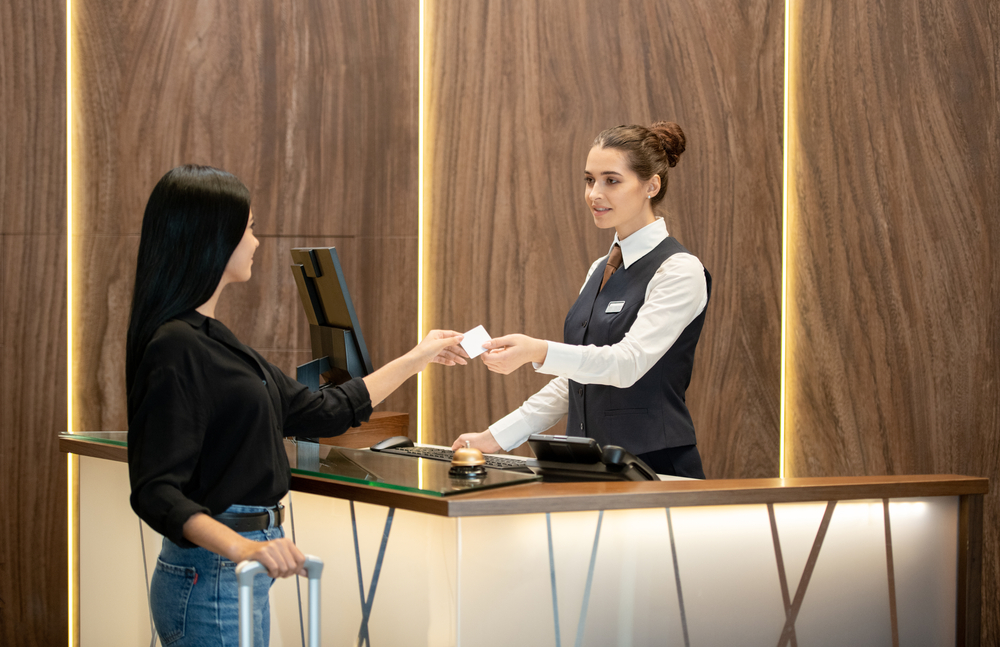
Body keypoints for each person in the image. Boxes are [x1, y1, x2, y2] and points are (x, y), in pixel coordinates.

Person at [126, 165, 468, 646]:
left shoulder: (214, 339)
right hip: (218, 571)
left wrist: (418, 357)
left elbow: (322, 411)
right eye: (249, 229)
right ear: (214, 238)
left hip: (238, 569)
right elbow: (155, 490)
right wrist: (243, 547)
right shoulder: (175, 347)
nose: (257, 242)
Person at [451, 122, 710, 479]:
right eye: (589, 180)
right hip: (591, 467)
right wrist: (495, 437)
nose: (594, 194)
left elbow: (626, 364)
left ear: (652, 185)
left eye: (611, 181)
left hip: (655, 469)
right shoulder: (600, 269)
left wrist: (539, 351)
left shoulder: (679, 270)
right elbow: (578, 381)